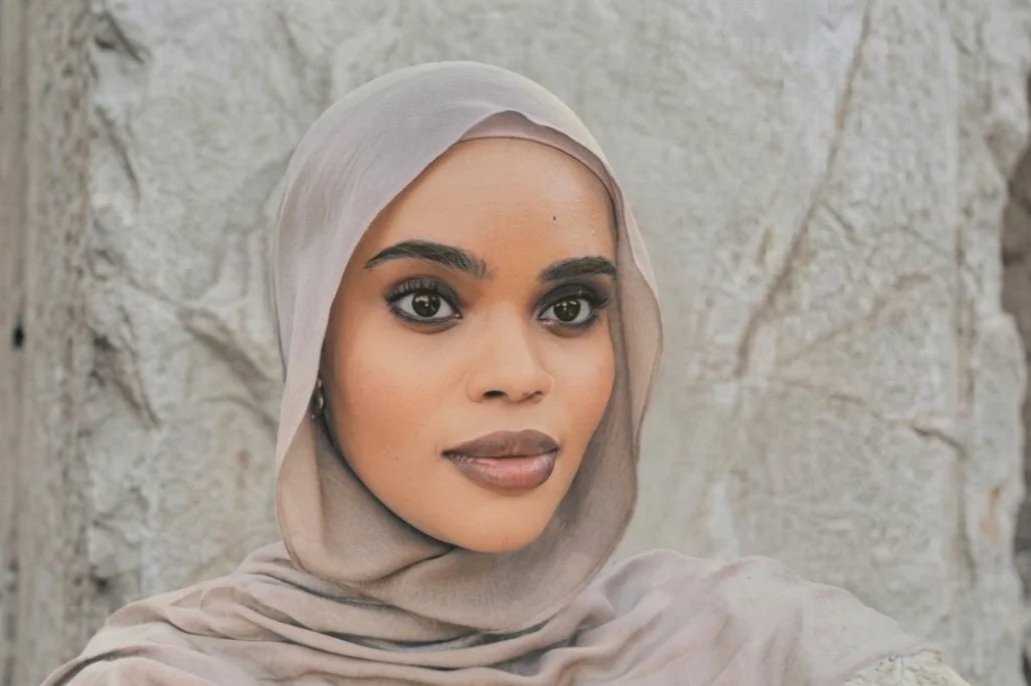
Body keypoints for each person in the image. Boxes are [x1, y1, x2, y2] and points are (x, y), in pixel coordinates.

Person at [41, 61, 970, 685]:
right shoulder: (176, 675)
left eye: (569, 310)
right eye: (427, 303)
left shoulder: (776, 655)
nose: (517, 376)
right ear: (313, 345)